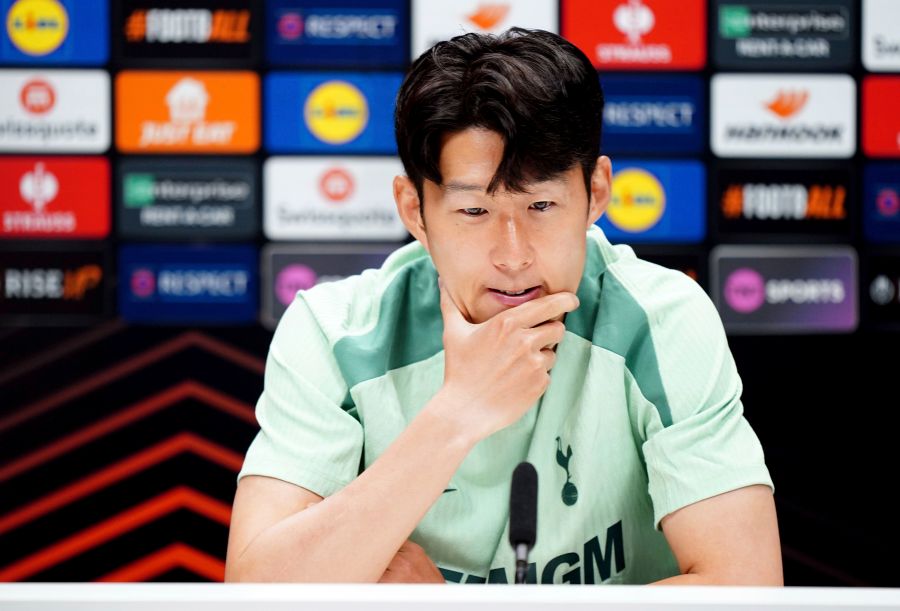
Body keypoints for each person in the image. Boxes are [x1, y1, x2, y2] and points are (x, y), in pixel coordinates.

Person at [225, 28, 782, 585]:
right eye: (473, 211)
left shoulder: (663, 321)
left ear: (598, 192)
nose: (513, 256)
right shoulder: (335, 333)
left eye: (541, 204)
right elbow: (254, 594)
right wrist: (457, 413)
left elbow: (749, 587)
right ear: (414, 210)